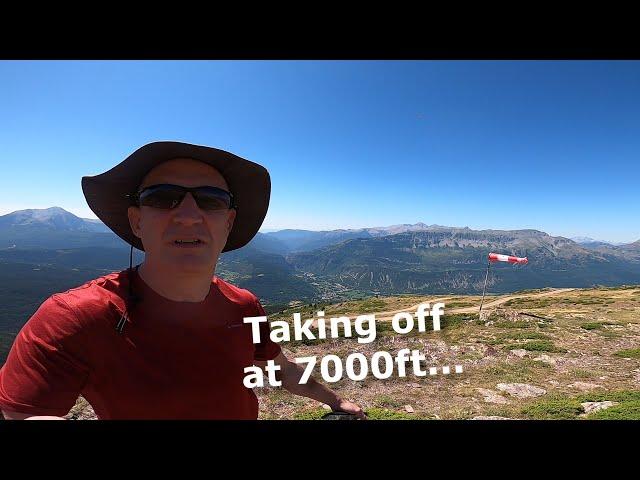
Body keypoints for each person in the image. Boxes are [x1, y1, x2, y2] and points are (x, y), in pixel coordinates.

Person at [0, 141, 366, 420]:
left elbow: (279, 367)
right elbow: (23, 413)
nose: (189, 214)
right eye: (163, 198)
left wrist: (335, 400)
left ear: (228, 223)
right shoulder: (74, 316)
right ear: (137, 220)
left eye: (211, 201)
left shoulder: (245, 305)